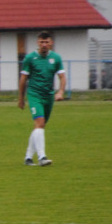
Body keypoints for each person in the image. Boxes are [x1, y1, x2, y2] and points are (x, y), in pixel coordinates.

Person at [18, 31, 66, 166]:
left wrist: (60, 92)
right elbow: (23, 79)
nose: (44, 45)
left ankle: (28, 157)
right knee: (40, 123)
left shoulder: (56, 58)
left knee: (40, 126)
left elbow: (62, 77)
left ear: (51, 43)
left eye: (46, 42)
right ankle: (42, 157)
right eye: (41, 42)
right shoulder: (30, 58)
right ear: (37, 43)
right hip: (34, 95)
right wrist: (21, 98)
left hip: (48, 96)